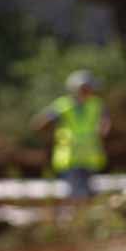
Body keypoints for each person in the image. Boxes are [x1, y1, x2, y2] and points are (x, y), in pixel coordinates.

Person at [32, 70, 111, 199]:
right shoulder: (62, 105)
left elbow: (105, 123)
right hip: (69, 160)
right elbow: (39, 123)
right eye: (88, 87)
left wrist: (103, 130)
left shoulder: (96, 104)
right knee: (77, 196)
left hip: (91, 159)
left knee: (89, 196)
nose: (90, 90)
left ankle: (81, 218)